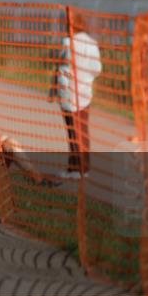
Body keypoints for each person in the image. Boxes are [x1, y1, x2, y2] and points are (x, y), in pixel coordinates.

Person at [51, 12, 102, 179]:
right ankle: (81, 169)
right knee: (82, 130)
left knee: (72, 131)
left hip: (68, 92)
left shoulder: (67, 42)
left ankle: (75, 168)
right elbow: (97, 69)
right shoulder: (92, 43)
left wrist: (53, 89)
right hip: (85, 92)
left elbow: (59, 65)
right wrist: (85, 78)